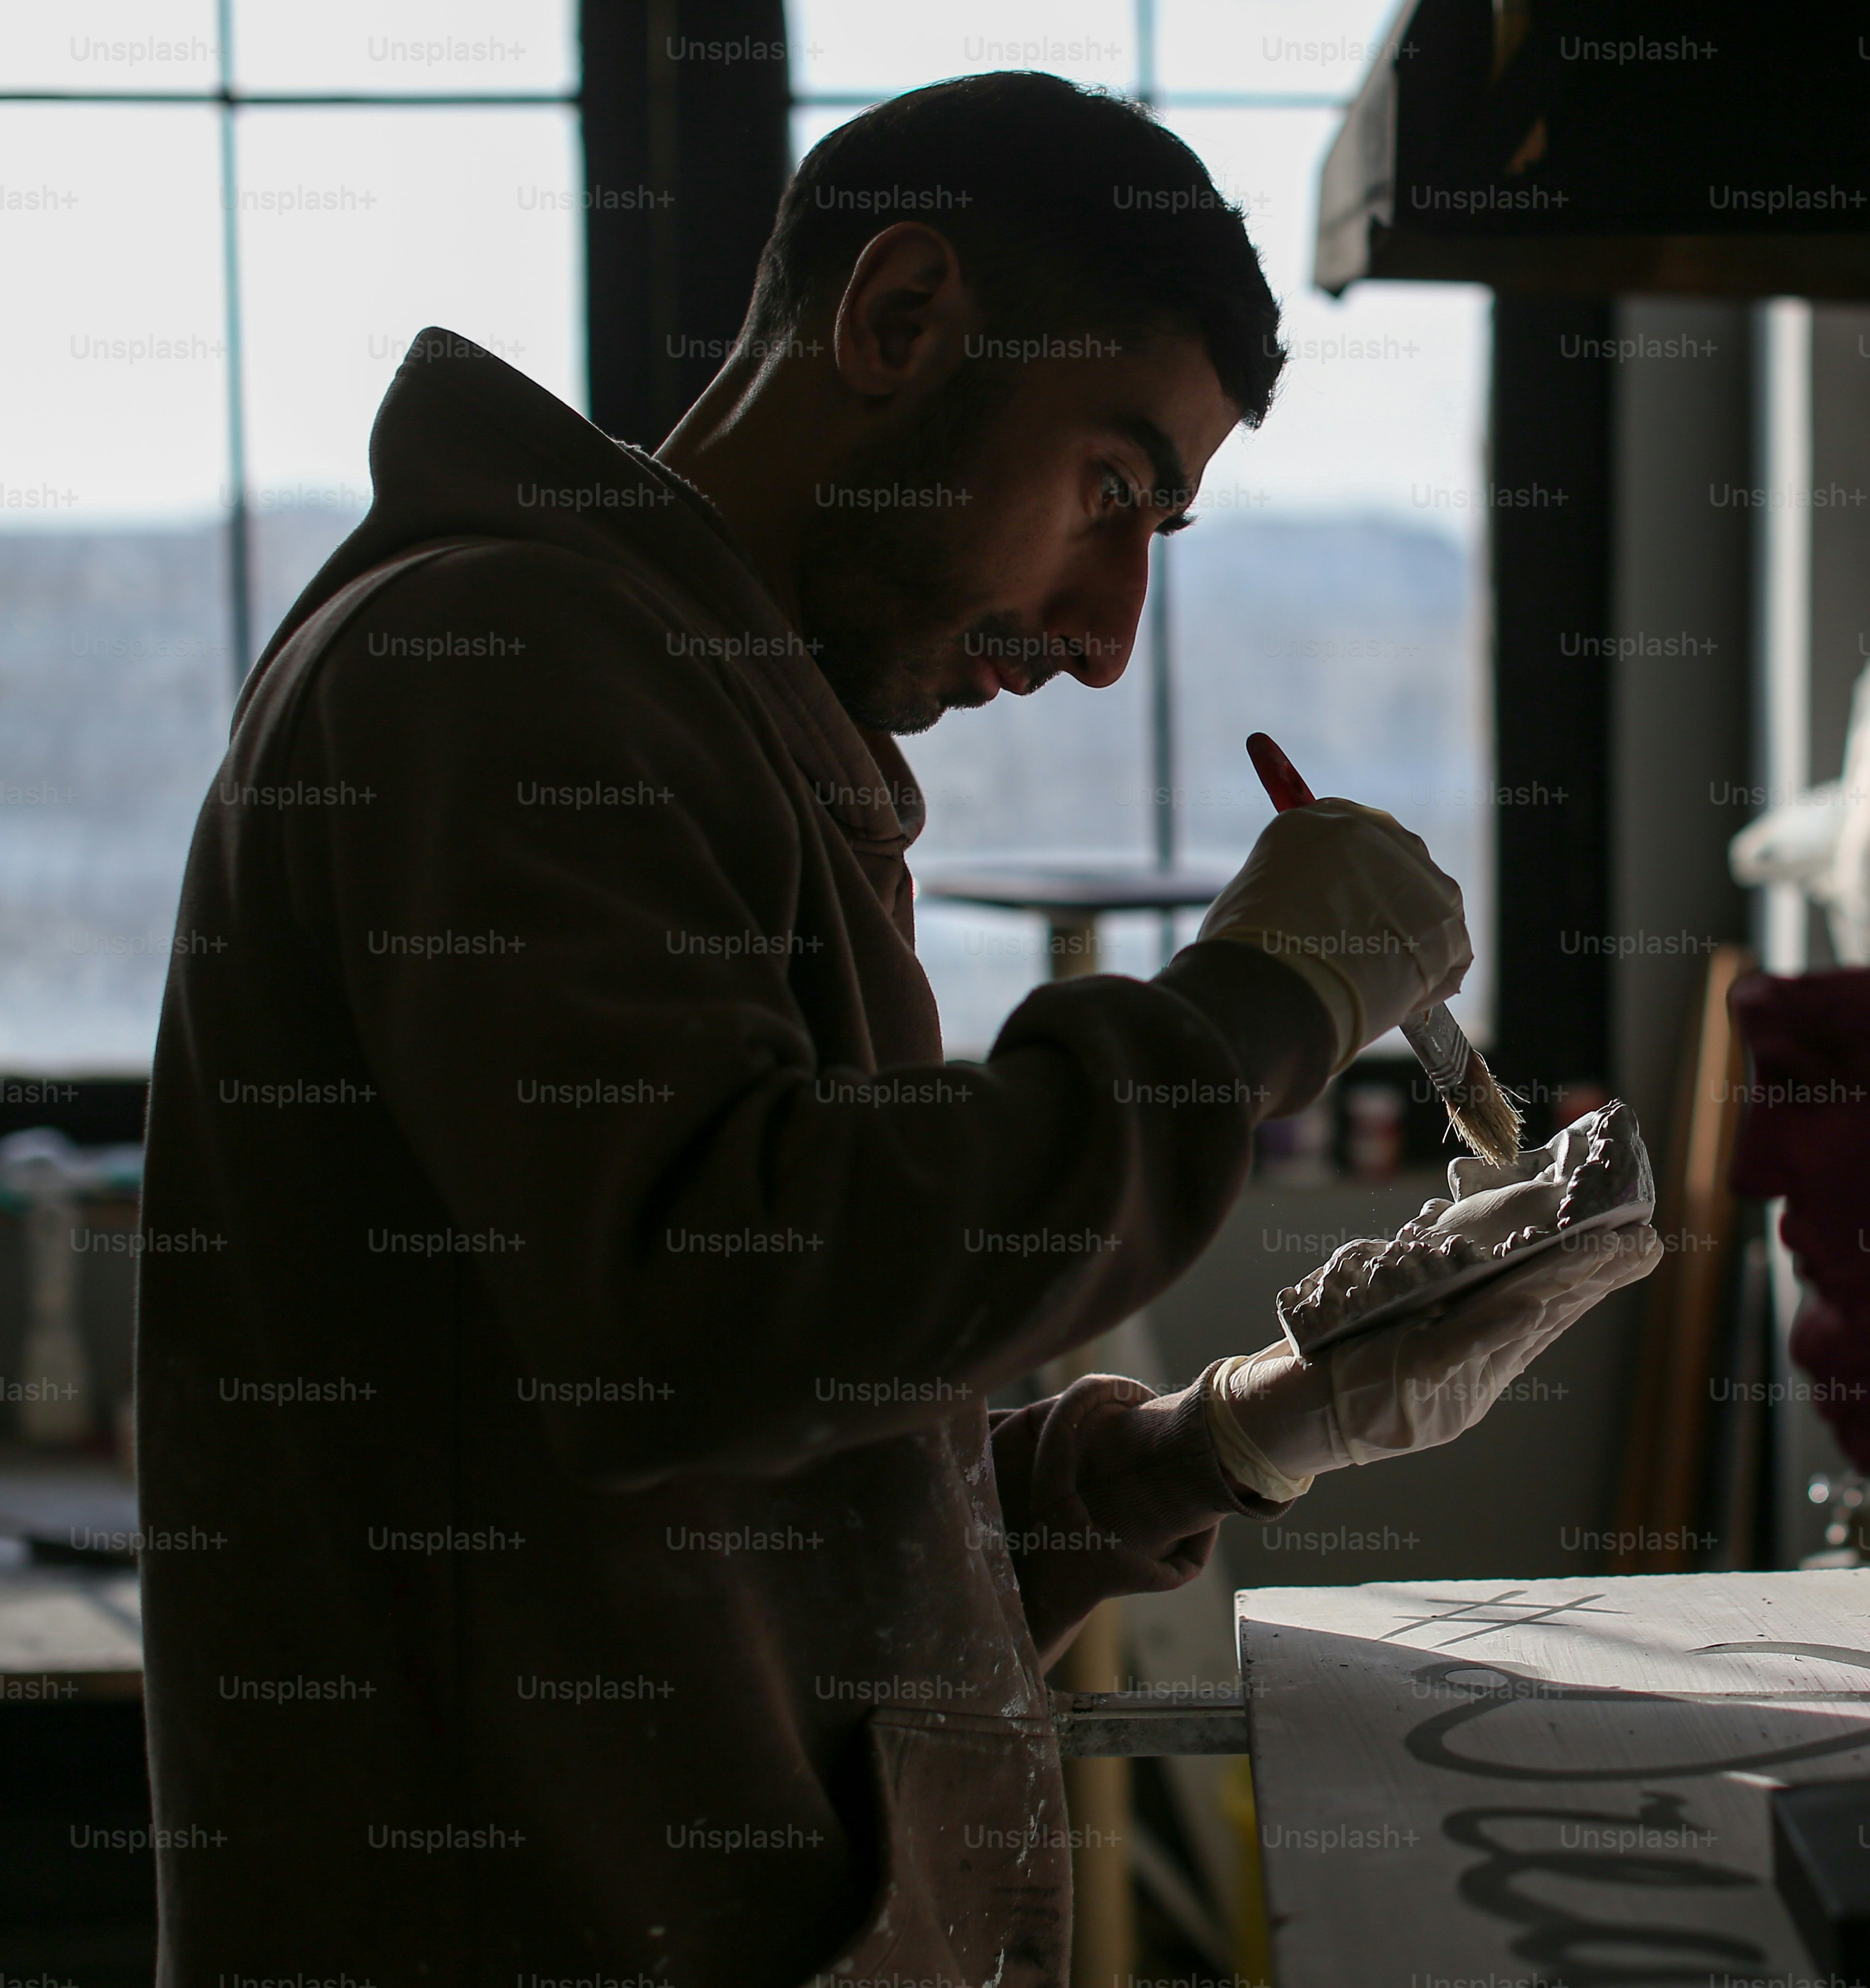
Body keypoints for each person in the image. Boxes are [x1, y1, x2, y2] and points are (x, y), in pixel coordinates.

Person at [134, 72, 1653, 1984]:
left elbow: (797, 1555)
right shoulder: (505, 671)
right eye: (1114, 489)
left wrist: (1239, 1437)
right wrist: (1248, 1012)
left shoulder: (715, 738)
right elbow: (703, 1318)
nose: (1109, 634)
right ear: (900, 318)